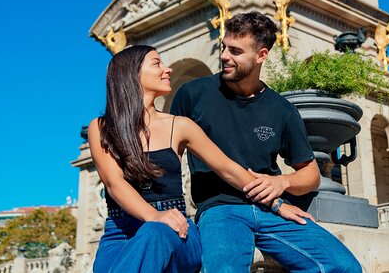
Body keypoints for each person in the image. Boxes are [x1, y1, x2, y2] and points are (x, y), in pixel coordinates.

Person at [89, 45, 311, 273]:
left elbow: (228, 169)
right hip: (120, 232)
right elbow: (114, 183)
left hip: (178, 231)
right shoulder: (101, 127)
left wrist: (277, 203)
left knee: (154, 232)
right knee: (146, 236)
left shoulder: (180, 125)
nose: (168, 69)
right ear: (131, 73)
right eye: (157, 64)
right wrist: (154, 216)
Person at [170, 11, 363, 273]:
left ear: (261, 55)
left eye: (236, 51)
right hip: (220, 209)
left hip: (275, 211)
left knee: (344, 266)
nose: (225, 56)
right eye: (224, 47)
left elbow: (311, 174)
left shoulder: (282, 109)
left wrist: (282, 182)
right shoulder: (192, 95)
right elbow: (170, 158)